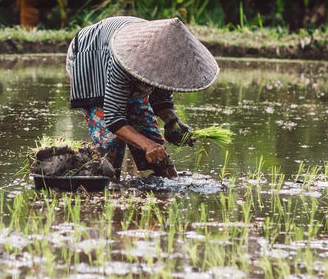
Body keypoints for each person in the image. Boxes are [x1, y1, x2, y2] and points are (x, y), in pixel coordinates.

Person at [66, 16, 219, 179]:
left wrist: (172, 121)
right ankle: (106, 188)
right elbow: (113, 117)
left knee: (159, 153)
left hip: (125, 66)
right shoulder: (124, 59)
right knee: (110, 149)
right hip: (92, 59)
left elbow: (161, 100)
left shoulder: (168, 62)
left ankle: (167, 186)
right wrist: (145, 144)